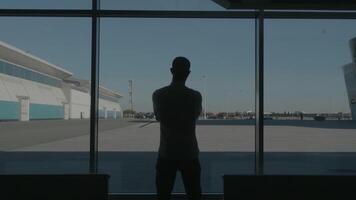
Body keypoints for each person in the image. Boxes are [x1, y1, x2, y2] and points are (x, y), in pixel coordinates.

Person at [152, 57, 202, 200]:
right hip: (189, 153)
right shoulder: (195, 96)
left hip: (167, 153)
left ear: (171, 71)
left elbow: (159, 117)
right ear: (188, 73)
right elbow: (195, 116)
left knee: (163, 194)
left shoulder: (158, 94)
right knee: (194, 194)